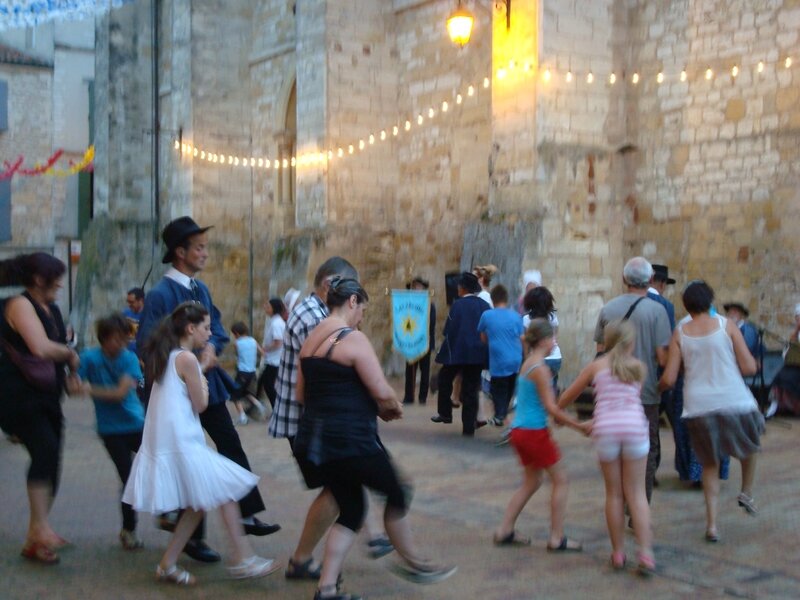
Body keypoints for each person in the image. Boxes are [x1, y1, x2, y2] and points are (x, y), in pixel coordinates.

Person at [293, 278, 456, 599]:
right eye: (363, 309)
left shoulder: (311, 340)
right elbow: (382, 390)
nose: (362, 318)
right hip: (351, 441)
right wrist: (392, 408)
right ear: (352, 301)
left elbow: (301, 395)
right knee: (397, 490)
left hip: (316, 440)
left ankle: (326, 589)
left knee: (352, 508)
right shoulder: (350, 339)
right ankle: (414, 562)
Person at [136, 216, 277, 563]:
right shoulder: (161, 294)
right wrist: (186, 360)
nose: (205, 254)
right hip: (177, 391)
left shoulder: (202, 290)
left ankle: (245, 511)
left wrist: (212, 347)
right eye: (199, 248)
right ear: (180, 252)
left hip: (206, 385)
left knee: (229, 441)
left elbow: (215, 327)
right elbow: (147, 343)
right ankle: (192, 537)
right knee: (188, 457)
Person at [123, 303, 279, 585]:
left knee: (198, 505)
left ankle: (168, 564)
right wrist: (205, 368)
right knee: (226, 489)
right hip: (182, 443)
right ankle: (242, 557)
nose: (210, 333)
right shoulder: (186, 359)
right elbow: (201, 403)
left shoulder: (167, 355)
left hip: (171, 441)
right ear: (190, 328)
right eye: (206, 328)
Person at [270, 257, 391, 580]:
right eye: (348, 289)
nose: (353, 300)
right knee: (339, 492)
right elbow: (333, 376)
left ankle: (309, 558)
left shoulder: (317, 315)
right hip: (313, 423)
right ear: (329, 285)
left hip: (317, 422)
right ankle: (307, 560)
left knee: (340, 490)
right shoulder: (316, 319)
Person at [660, 280, 764, 543]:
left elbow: (670, 378)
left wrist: (655, 387)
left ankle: (712, 525)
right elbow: (749, 367)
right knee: (749, 447)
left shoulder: (680, 331)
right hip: (734, 400)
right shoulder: (726, 325)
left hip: (698, 406)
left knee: (709, 464)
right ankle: (746, 491)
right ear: (710, 301)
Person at [0, 252, 80, 564]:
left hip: (47, 394)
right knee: (45, 449)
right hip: (19, 393)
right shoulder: (20, 305)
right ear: (37, 280)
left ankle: (36, 535)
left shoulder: (53, 310)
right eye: (55, 277)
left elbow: (62, 348)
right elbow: (41, 347)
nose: (60, 283)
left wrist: (72, 373)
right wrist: (71, 356)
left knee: (52, 460)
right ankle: (41, 529)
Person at [558, 320, 655, 575]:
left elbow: (566, 398)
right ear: (631, 342)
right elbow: (629, 399)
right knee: (636, 494)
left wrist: (573, 421)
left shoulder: (595, 367)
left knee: (614, 494)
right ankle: (645, 554)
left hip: (606, 430)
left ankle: (618, 554)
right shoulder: (639, 368)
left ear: (607, 342)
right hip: (634, 428)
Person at [493, 319, 587, 552]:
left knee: (532, 481)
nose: (555, 341)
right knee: (560, 480)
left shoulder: (528, 363)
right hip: (534, 432)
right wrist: (578, 425)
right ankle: (556, 538)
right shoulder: (541, 369)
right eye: (553, 337)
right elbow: (552, 407)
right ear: (544, 340)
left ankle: (504, 529)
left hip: (520, 431)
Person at [594, 257, 671, 505]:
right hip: (645, 392)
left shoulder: (608, 309)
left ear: (624, 279)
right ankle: (639, 505)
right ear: (650, 281)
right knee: (646, 451)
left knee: (615, 451)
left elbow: (601, 349)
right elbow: (662, 357)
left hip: (612, 390)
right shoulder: (658, 311)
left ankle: (619, 500)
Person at [77, 313, 146, 550]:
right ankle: (129, 530)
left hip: (137, 424)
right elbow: (72, 385)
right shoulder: (89, 358)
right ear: (103, 338)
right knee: (128, 479)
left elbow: (119, 393)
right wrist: (75, 383)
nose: (121, 344)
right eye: (115, 339)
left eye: (124, 339)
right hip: (111, 431)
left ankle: (168, 512)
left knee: (162, 464)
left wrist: (89, 389)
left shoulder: (130, 359)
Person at [431, 272, 491, 436]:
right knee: (471, 389)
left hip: (457, 352)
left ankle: (445, 413)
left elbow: (449, 330)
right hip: (477, 354)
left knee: (445, 378)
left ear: (463, 288)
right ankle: (468, 427)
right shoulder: (484, 306)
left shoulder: (457, 305)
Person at [477, 284, 524, 425]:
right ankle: (503, 411)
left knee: (497, 388)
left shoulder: (487, 315)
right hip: (515, 358)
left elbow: (483, 338)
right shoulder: (516, 316)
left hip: (498, 360)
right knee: (509, 386)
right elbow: (522, 338)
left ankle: (500, 414)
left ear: (492, 299)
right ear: (506, 299)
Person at [402, 276, 435, 405]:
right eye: (414, 287)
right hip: (410, 342)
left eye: (419, 287)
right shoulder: (407, 305)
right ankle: (409, 397)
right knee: (410, 371)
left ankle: (422, 398)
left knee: (425, 371)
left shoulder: (429, 305)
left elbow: (430, 324)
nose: (416, 289)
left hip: (424, 342)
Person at [522, 286, 562, 388]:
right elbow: (555, 336)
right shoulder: (553, 318)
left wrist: (527, 359)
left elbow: (527, 342)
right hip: (555, 357)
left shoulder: (527, 320)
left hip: (536, 358)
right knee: (551, 387)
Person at [229, 321, 267, 425]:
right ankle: (259, 405)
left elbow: (238, 354)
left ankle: (242, 416)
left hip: (242, 372)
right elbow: (263, 352)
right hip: (252, 372)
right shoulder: (253, 340)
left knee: (235, 395)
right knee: (246, 392)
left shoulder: (237, 343)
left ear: (236, 333)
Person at [769, 303, 800, 415]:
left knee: (790, 377)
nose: (798, 321)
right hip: (792, 366)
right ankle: (775, 407)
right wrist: (796, 331)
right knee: (780, 376)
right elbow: (787, 353)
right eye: (797, 318)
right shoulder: (795, 334)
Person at [257, 297, 285, 408]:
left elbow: (278, 342)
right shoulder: (275, 321)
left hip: (275, 360)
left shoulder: (276, 323)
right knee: (265, 383)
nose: (265, 308)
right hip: (273, 359)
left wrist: (264, 349)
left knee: (268, 384)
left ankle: (276, 408)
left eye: (268, 306)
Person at [123, 287, 145, 353]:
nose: (129, 305)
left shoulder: (147, 316)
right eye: (128, 302)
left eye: (131, 302)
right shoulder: (125, 314)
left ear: (140, 301)